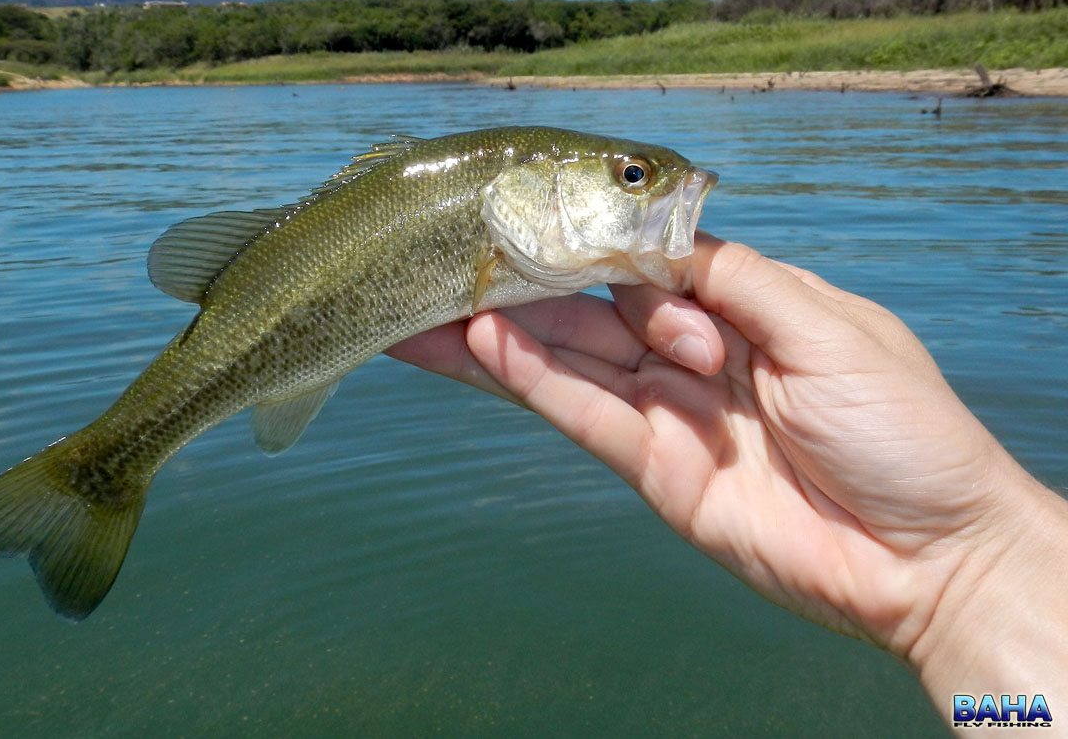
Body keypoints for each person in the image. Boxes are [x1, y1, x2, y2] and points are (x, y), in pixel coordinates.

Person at [387, 232, 1068, 720]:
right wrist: (971, 583)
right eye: (631, 176)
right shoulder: (1021, 712)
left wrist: (968, 579)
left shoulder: (1015, 711)